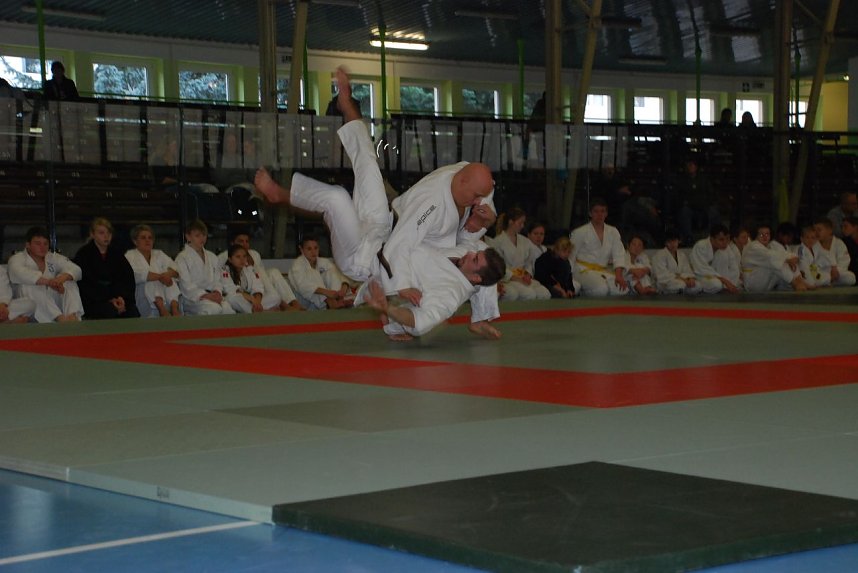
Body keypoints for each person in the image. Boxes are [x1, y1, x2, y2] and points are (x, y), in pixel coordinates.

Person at [254, 67, 505, 339]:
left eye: (483, 196)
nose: (479, 200)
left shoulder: (471, 179)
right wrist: (401, 287)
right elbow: (401, 245)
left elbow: (479, 216)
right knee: (368, 164)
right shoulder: (430, 204)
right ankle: (346, 107)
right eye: (476, 196)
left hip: (363, 255)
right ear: (462, 180)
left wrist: (487, 218)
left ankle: (280, 193)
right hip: (388, 231)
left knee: (337, 197)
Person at [7, 226, 83, 322]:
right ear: (28, 245)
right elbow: (18, 272)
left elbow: (76, 269)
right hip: (29, 305)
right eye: (37, 243)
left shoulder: (52, 257)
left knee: (69, 282)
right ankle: (60, 318)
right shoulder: (17, 258)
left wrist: (60, 280)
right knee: (30, 285)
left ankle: (72, 316)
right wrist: (49, 282)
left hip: (51, 299)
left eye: (45, 244)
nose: (42, 247)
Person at [218, 229, 303, 311]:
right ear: (232, 243)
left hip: (256, 290)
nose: (244, 244)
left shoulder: (254, 255)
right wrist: (252, 299)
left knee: (272, 273)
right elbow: (228, 288)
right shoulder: (223, 258)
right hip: (238, 294)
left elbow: (258, 281)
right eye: (241, 241)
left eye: (247, 241)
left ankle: (292, 302)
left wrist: (256, 301)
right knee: (234, 298)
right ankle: (268, 310)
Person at [73, 218, 140, 319]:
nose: (106, 236)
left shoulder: (117, 253)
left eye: (109, 233)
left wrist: (121, 297)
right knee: (109, 311)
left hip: (118, 297)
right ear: (92, 234)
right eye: (101, 233)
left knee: (132, 311)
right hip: (94, 300)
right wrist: (109, 299)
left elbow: (127, 278)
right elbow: (85, 284)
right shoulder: (83, 254)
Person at [568, 198, 628, 296]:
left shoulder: (613, 231)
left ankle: (589, 287)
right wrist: (567, 278)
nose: (599, 215)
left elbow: (619, 254)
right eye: (596, 211)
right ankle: (580, 290)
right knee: (601, 289)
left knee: (622, 290)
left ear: (606, 214)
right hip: (582, 270)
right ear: (590, 213)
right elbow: (571, 256)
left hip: (601, 270)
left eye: (602, 211)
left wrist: (619, 276)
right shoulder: (579, 232)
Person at [175, 219, 235, 315]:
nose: (202, 238)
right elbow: (186, 285)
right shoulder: (182, 258)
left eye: (204, 235)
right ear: (188, 237)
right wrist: (206, 295)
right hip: (192, 299)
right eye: (197, 235)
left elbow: (218, 279)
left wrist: (217, 292)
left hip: (212, 295)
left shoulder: (212, 256)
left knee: (228, 311)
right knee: (213, 309)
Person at [489, 208, 550, 301]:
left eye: (523, 223)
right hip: (508, 279)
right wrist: (516, 278)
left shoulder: (524, 241)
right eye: (520, 223)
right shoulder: (497, 242)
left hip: (523, 277)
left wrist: (528, 274)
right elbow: (499, 266)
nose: (522, 226)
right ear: (511, 222)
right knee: (529, 294)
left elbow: (528, 262)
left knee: (545, 294)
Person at [125, 224, 182, 317]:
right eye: (143, 238)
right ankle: (161, 309)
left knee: (169, 279)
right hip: (144, 299)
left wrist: (167, 275)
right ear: (135, 241)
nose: (147, 240)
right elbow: (134, 275)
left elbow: (176, 270)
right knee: (150, 280)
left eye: (150, 238)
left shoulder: (159, 254)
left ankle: (175, 309)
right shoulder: (130, 256)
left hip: (166, 298)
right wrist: (160, 276)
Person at [287, 236, 354, 310]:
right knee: (313, 273)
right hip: (303, 301)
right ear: (301, 250)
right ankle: (332, 303)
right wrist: (327, 292)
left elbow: (340, 277)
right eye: (309, 249)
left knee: (332, 272)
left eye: (316, 248)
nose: (313, 252)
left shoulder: (324, 262)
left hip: (323, 301)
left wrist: (343, 289)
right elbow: (303, 287)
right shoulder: (297, 264)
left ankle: (339, 300)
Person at [741, 225, 808, 292]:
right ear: (755, 236)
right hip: (752, 283)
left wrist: (792, 258)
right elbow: (771, 257)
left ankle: (799, 281)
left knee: (784, 262)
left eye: (767, 234)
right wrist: (789, 258)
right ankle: (797, 283)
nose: (765, 237)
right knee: (776, 263)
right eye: (761, 234)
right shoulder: (753, 246)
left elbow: (782, 255)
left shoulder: (769, 246)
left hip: (763, 282)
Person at [689, 224, 740, 294]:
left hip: (718, 278)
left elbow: (734, 268)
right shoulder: (701, 246)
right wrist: (725, 281)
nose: (725, 242)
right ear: (712, 239)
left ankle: (724, 288)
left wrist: (732, 284)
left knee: (724, 256)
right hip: (700, 276)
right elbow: (701, 269)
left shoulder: (726, 248)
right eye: (721, 239)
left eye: (727, 239)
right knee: (716, 284)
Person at [651, 230, 702, 295]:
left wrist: (690, 279)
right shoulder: (659, 255)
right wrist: (683, 279)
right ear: (665, 243)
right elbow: (662, 275)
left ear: (679, 241)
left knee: (698, 285)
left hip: (682, 281)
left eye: (675, 241)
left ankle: (682, 292)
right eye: (669, 242)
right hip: (665, 283)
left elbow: (687, 270)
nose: (672, 244)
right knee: (680, 285)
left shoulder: (682, 255)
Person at [220, 244, 267, 313]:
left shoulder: (249, 269)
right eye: (238, 257)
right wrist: (252, 299)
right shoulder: (224, 271)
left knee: (274, 298)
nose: (242, 259)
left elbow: (258, 287)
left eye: (244, 256)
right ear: (230, 259)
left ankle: (257, 309)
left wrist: (257, 302)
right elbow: (230, 290)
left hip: (251, 299)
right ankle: (259, 312)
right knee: (233, 298)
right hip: (236, 299)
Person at [813, 217, 856, 286]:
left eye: (819, 230)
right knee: (814, 277)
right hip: (821, 273)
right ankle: (828, 281)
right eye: (814, 230)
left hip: (837, 273)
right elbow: (812, 264)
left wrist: (836, 271)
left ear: (829, 230)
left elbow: (844, 261)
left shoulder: (839, 243)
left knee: (851, 277)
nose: (816, 233)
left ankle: (829, 282)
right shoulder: (813, 244)